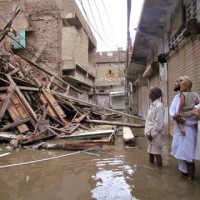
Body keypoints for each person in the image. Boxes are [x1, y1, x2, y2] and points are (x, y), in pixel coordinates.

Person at [170, 76, 198, 180]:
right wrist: (178, 118)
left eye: (177, 81)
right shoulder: (176, 97)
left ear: (183, 85)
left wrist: (183, 120)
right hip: (178, 129)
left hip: (188, 130)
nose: (175, 83)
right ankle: (184, 176)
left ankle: (191, 179)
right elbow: (172, 111)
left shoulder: (193, 96)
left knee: (188, 156)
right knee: (179, 153)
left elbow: (195, 112)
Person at [144, 86, 165, 167]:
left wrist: (152, 135)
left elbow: (158, 123)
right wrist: (148, 134)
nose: (148, 93)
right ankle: (152, 172)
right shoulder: (153, 105)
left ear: (154, 94)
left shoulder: (159, 106)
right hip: (150, 134)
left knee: (157, 154)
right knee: (150, 152)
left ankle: (159, 172)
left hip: (155, 134)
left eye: (150, 92)